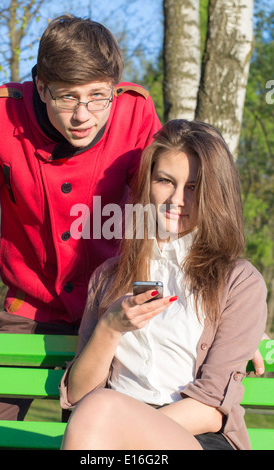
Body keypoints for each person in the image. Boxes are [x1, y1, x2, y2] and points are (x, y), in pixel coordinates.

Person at [0, 14, 161, 421]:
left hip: (111, 311)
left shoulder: (135, 112)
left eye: (98, 96)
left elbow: (165, 217)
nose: (83, 115)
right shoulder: (1, 115)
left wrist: (217, 316)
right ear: (41, 86)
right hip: (28, 310)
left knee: (100, 433)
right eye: (67, 97)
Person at [59, 120, 267, 450]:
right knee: (95, 409)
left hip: (193, 438)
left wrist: (124, 432)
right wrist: (111, 327)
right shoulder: (108, 277)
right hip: (109, 437)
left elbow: (213, 408)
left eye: (194, 187)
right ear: (147, 184)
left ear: (216, 194)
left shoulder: (239, 282)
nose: (176, 199)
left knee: (99, 409)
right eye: (165, 181)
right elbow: (76, 395)